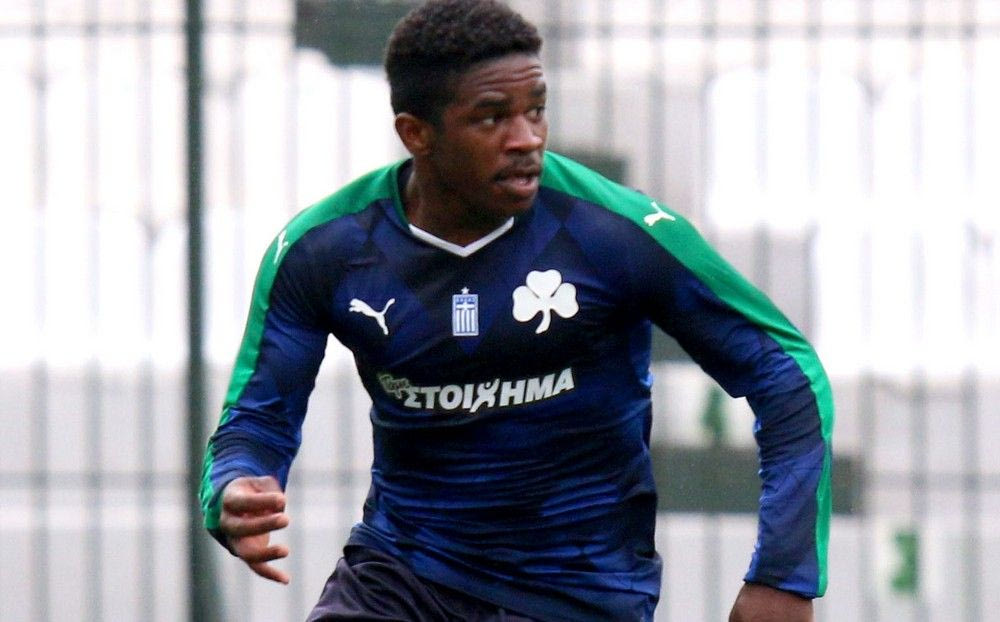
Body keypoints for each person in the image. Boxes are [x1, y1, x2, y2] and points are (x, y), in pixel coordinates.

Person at [199, 1, 833, 620]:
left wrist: (783, 576)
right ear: (416, 134)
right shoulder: (325, 250)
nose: (526, 139)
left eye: (536, 110)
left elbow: (787, 376)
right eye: (492, 118)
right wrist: (235, 482)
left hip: (580, 592)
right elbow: (257, 418)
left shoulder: (616, 232)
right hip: (403, 573)